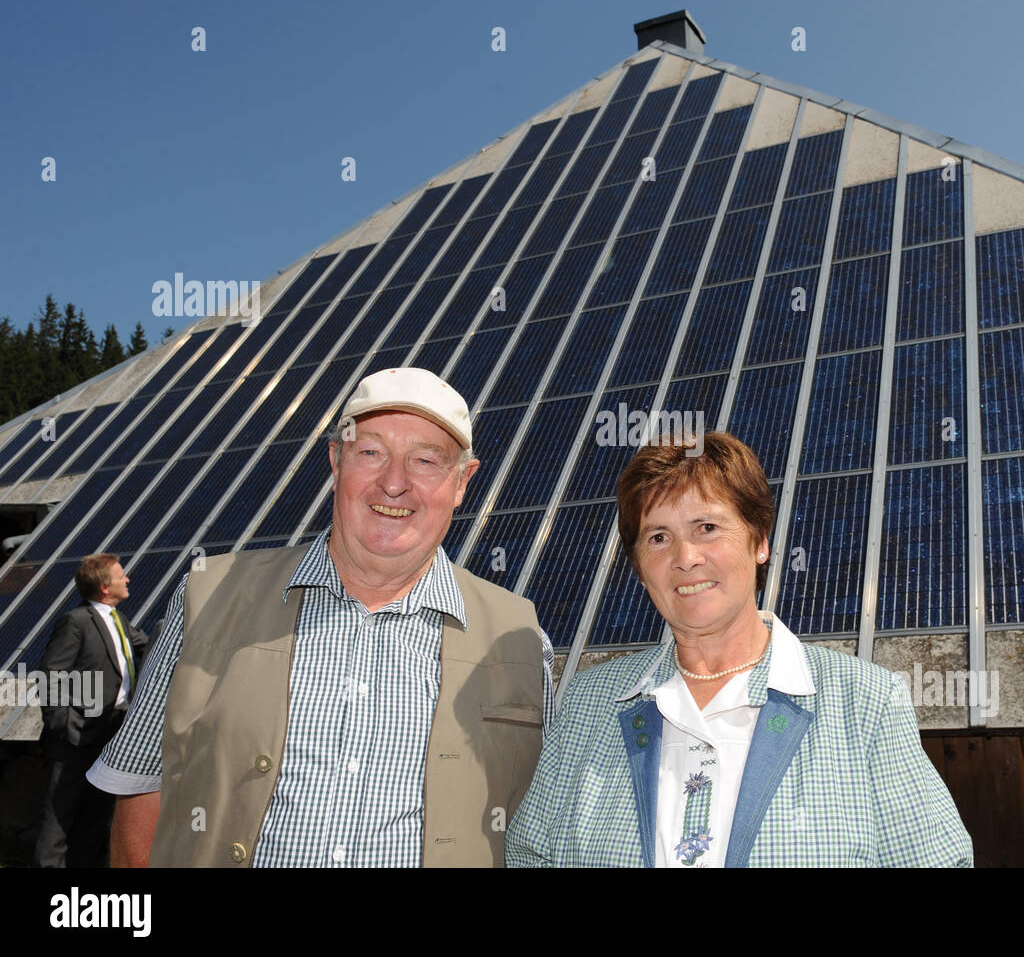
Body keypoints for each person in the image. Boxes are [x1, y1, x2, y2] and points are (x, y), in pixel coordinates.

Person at [87, 367, 555, 867]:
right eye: (370, 452)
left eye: (425, 460)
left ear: (462, 482)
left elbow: (539, 829)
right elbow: (141, 783)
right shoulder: (210, 596)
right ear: (336, 461)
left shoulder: (518, 641)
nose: (394, 483)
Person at [506, 431, 972, 867]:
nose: (685, 557)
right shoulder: (590, 704)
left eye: (707, 527)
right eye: (658, 537)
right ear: (639, 566)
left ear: (760, 542)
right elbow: (530, 855)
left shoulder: (865, 702)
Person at [34, 554, 150, 867]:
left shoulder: (119, 620)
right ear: (103, 586)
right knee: (63, 811)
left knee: (98, 810)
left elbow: (148, 645)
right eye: (121, 576)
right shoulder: (77, 621)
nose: (127, 580)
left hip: (112, 732)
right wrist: (63, 723)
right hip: (78, 733)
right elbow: (51, 674)